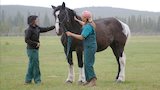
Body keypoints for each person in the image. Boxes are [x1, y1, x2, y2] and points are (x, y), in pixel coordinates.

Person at [66, 11, 97, 87]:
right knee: (86, 63)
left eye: (83, 17)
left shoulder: (88, 27)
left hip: (90, 47)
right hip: (88, 46)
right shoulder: (87, 24)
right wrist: (77, 20)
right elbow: (83, 24)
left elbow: (82, 37)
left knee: (88, 64)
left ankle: (93, 80)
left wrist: (71, 34)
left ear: (86, 18)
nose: (82, 18)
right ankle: (88, 80)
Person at [24, 15, 55, 85]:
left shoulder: (37, 28)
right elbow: (26, 40)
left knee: (32, 64)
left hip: (35, 50)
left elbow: (46, 29)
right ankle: (38, 81)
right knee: (35, 65)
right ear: (33, 21)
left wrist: (55, 26)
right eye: (36, 19)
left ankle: (28, 80)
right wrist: (35, 44)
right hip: (31, 50)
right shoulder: (29, 29)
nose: (38, 20)